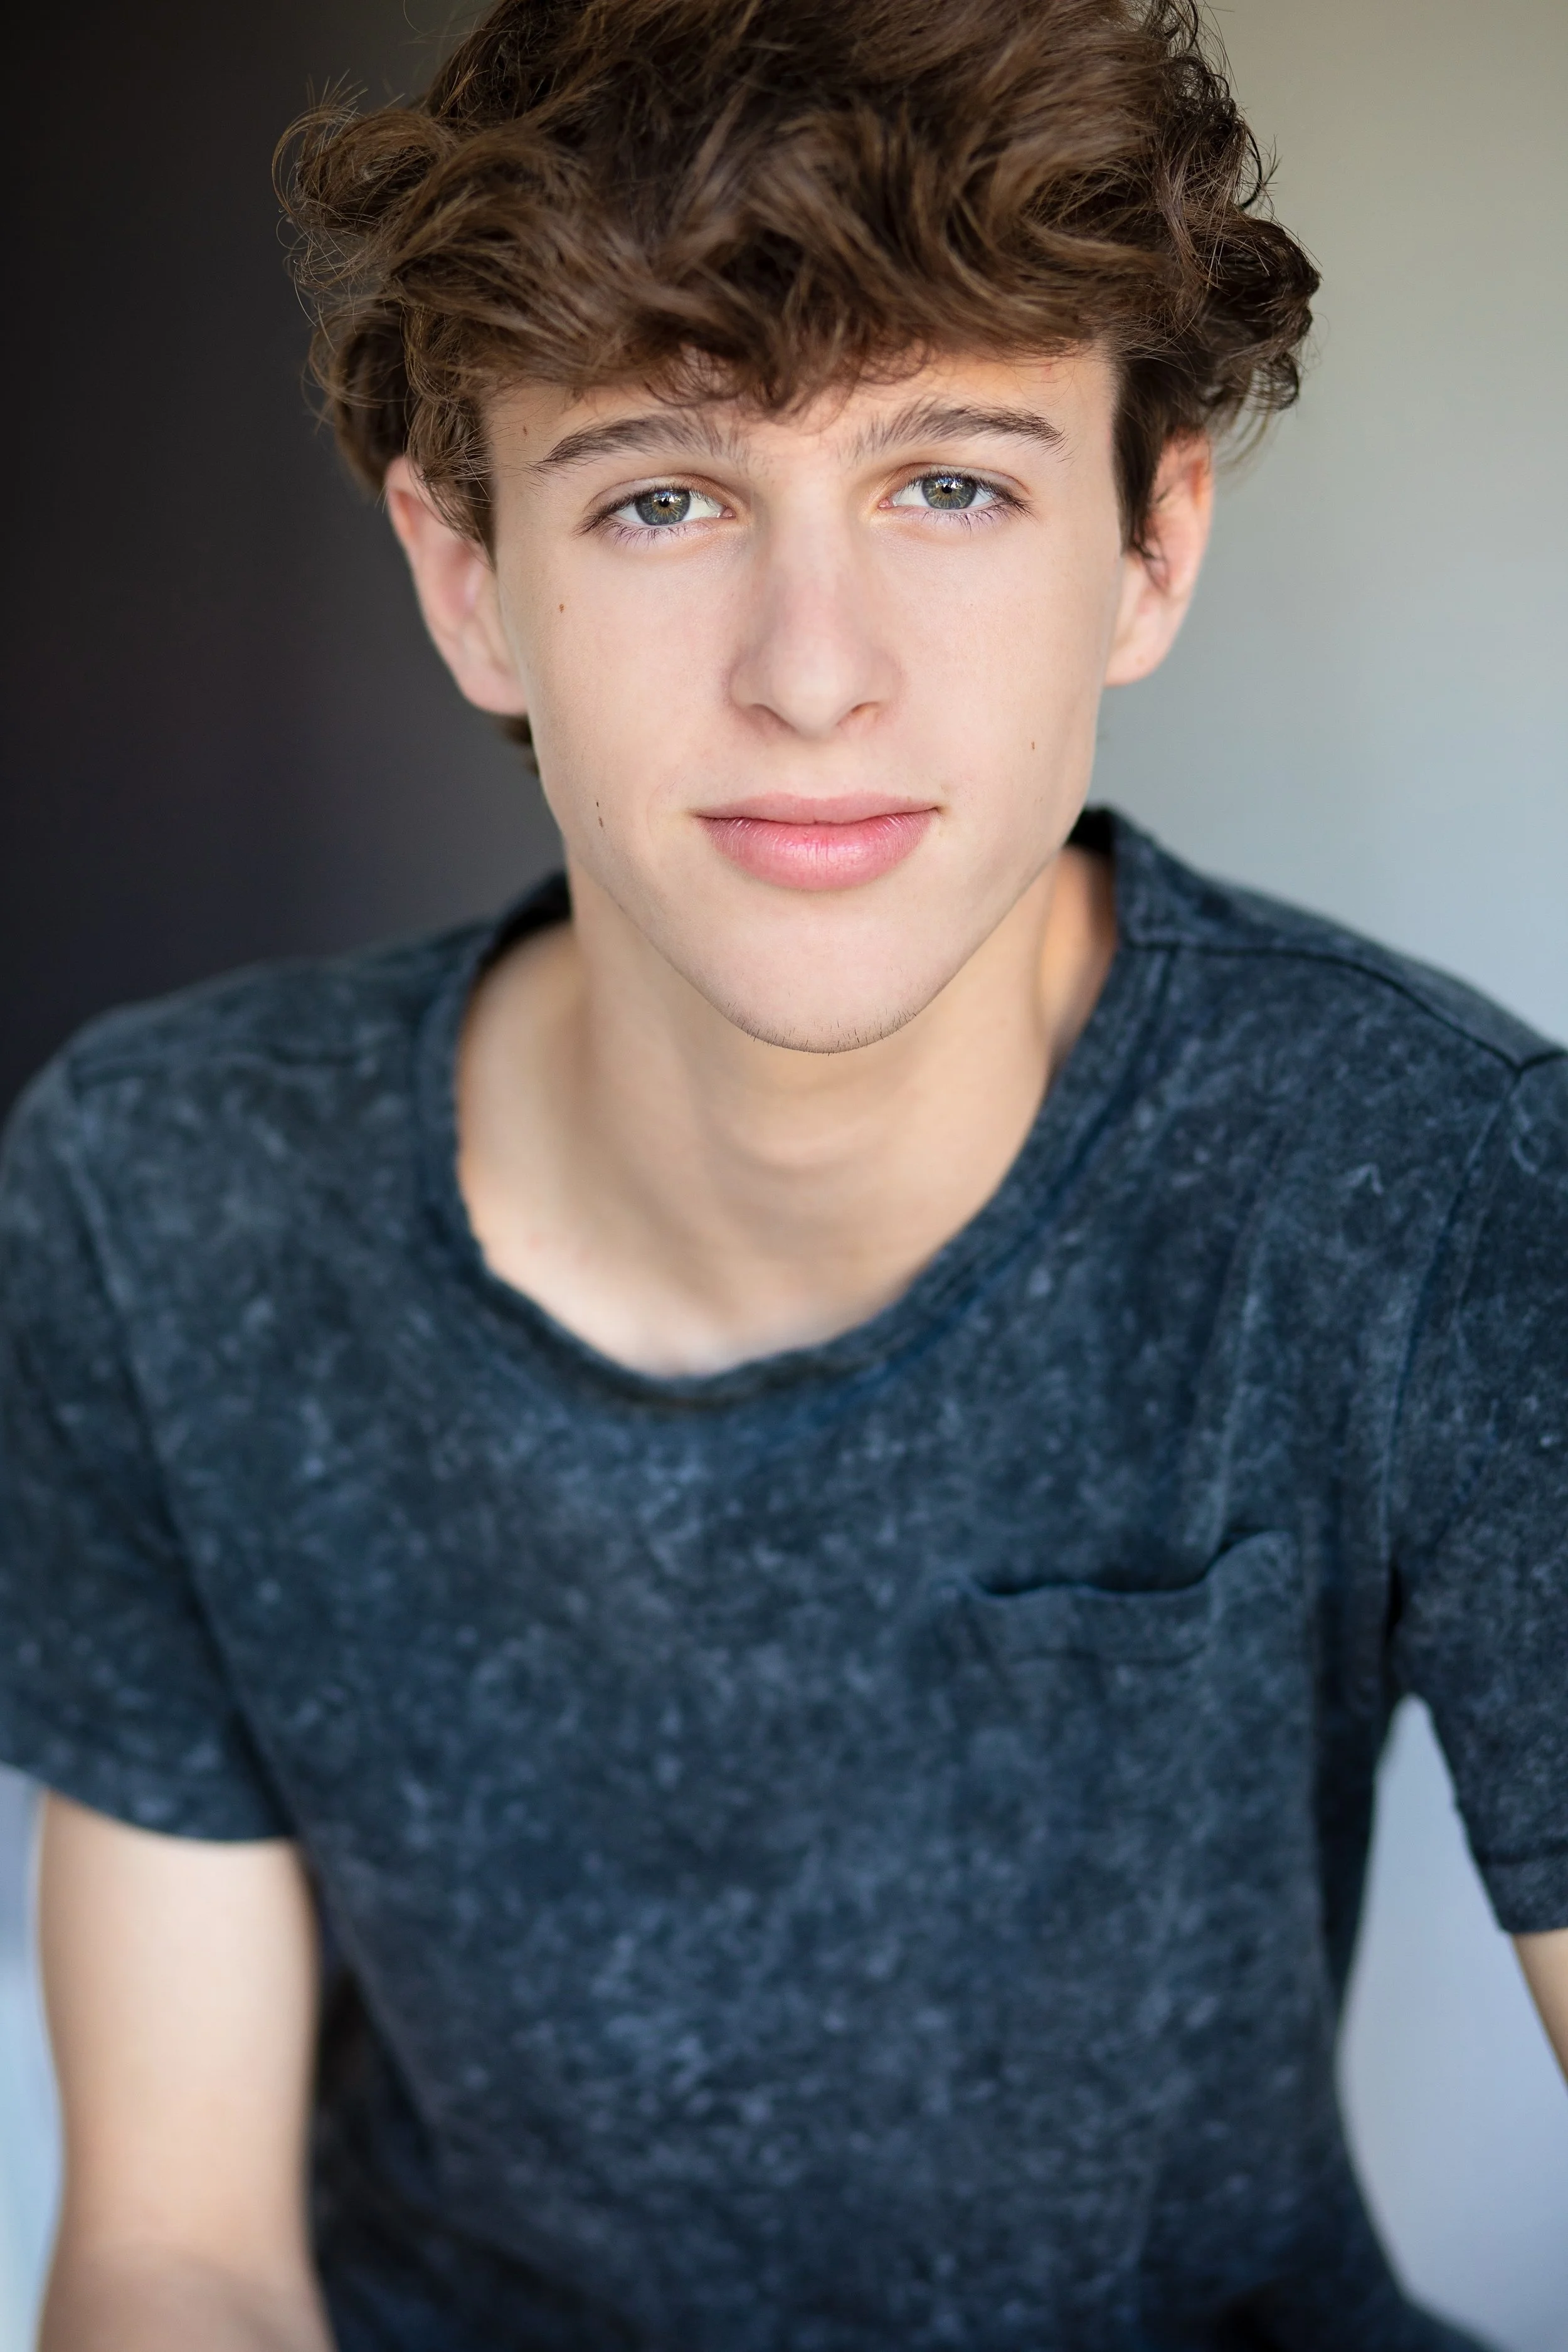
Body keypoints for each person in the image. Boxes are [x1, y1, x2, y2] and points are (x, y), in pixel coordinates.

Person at [2, 0, 1565, 2343]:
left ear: (1147, 551)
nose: (812, 674)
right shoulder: (173, 1200)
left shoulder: (1433, 1188)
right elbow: (176, 2252)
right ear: (465, 576)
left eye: (951, 485)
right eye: (661, 496)